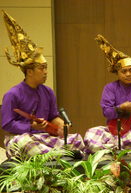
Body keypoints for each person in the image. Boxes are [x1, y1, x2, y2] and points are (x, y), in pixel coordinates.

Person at [1, 11, 85, 158]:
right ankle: (60, 156)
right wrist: (30, 127)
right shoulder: (12, 94)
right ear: (29, 72)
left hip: (43, 137)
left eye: (46, 67)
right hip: (20, 138)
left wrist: (61, 124)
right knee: (27, 143)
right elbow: (7, 124)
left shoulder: (48, 92)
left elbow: (53, 116)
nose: (46, 72)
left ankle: (56, 155)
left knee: (77, 140)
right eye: (42, 68)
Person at [84, 34, 131, 154]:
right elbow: (106, 112)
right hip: (114, 131)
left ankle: (113, 148)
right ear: (117, 73)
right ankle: (124, 147)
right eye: (124, 71)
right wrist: (120, 109)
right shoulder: (110, 88)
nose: (128, 74)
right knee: (92, 133)